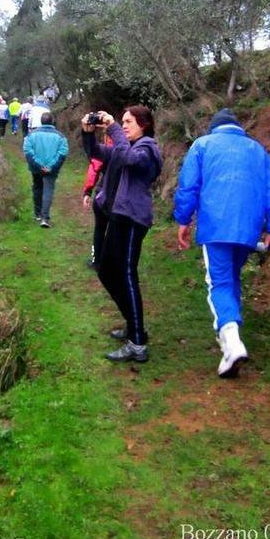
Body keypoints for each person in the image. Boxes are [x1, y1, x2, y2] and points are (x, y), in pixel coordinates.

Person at [173, 107, 270, 378]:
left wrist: (183, 220)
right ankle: (230, 339)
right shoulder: (257, 150)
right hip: (248, 228)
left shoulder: (202, 145)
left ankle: (232, 342)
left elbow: (189, 186)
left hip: (216, 227)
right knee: (232, 279)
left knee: (219, 282)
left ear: (214, 127)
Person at [82, 106, 163, 363]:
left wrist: (113, 128)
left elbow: (130, 159)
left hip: (133, 219)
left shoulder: (148, 148)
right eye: (122, 122)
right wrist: (88, 133)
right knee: (105, 270)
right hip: (118, 216)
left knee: (127, 275)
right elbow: (97, 153)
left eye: (129, 122)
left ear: (144, 124)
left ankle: (137, 343)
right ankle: (133, 324)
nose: (124, 125)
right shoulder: (125, 146)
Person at [23, 111, 69, 228]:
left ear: (41, 121)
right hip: (52, 169)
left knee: (37, 187)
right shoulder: (61, 137)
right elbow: (62, 153)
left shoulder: (31, 135)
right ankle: (45, 218)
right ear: (52, 121)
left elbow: (28, 151)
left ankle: (37, 213)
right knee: (48, 190)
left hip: (36, 168)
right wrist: (51, 166)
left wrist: (39, 165)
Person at [82, 131, 114, 271]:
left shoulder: (104, 151)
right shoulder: (131, 149)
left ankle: (97, 261)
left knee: (100, 229)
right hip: (123, 200)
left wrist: (87, 192)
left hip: (104, 196)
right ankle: (112, 262)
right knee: (116, 231)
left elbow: (93, 170)